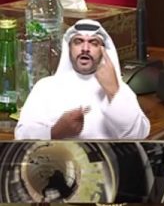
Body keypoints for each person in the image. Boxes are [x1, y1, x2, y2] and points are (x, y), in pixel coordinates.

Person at [15, 19, 150, 140]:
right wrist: (55, 132)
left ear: (103, 50)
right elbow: (22, 135)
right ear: (69, 48)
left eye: (93, 43)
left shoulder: (120, 90)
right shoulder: (46, 87)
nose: (85, 49)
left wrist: (113, 92)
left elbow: (138, 135)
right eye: (78, 42)